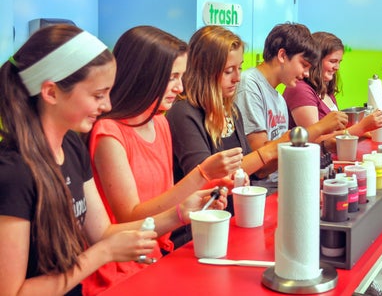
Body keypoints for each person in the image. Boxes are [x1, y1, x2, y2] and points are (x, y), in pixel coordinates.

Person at [0, 25, 226, 295]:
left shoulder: (71, 146)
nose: (107, 105)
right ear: (51, 93)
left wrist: (180, 213)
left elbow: (103, 232)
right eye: (97, 95)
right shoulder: (14, 172)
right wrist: (102, 253)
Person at [83, 26, 242, 294]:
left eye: (181, 77)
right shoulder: (109, 133)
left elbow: (164, 198)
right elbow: (130, 217)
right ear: (145, 76)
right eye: (172, 78)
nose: (180, 88)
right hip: (119, 270)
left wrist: (205, 193)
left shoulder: (160, 122)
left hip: (156, 257)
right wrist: (202, 175)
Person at [167, 26, 345, 199]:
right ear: (205, 70)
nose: (237, 78)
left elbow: (250, 169)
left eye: (239, 68)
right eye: (228, 71)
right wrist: (277, 147)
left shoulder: (231, 110)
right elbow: (206, 180)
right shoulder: (184, 113)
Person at [283, 31, 382, 143]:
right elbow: (314, 141)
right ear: (315, 61)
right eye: (332, 61)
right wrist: (361, 128)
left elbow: (334, 132)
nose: (337, 67)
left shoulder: (325, 89)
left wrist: (363, 132)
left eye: (339, 62)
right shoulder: (300, 90)